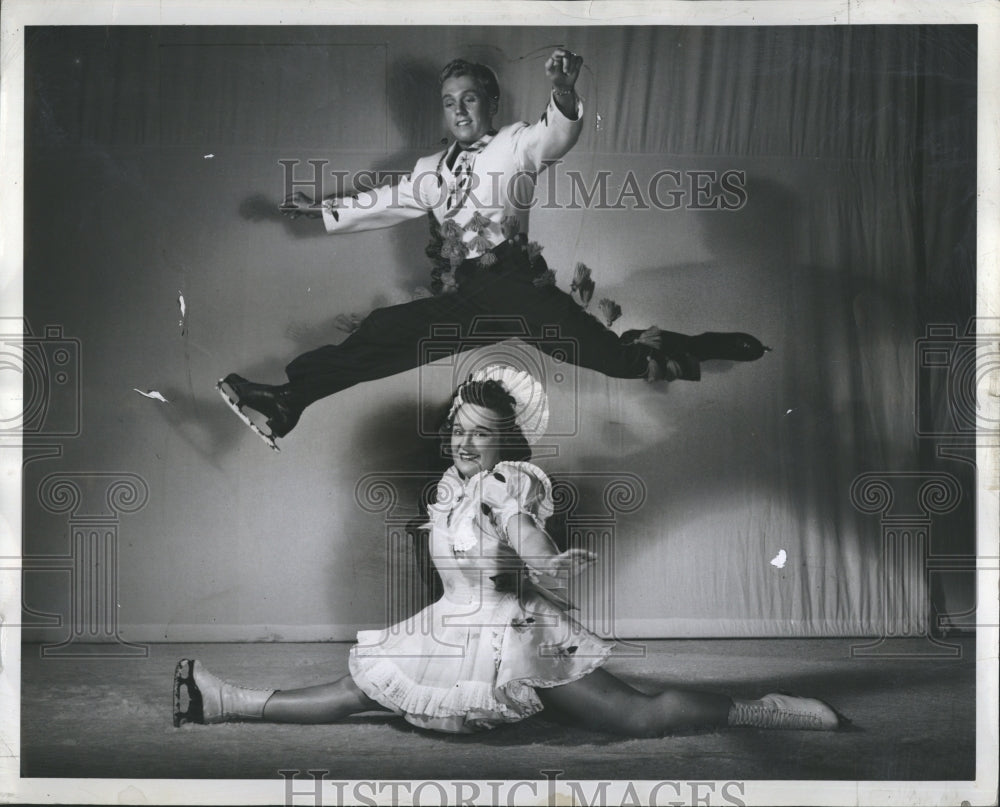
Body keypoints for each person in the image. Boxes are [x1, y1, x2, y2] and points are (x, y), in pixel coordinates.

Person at [176, 365, 839, 735]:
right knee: (357, 688)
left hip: (515, 632)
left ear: (506, 442)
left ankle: (762, 709)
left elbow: (519, 526)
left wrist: (546, 562)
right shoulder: (449, 485)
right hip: (455, 626)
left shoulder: (506, 480)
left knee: (634, 716)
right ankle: (225, 700)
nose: (466, 444)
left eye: (482, 434)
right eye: (459, 430)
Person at [218, 49, 768, 450]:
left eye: (470, 98)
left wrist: (565, 92)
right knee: (384, 332)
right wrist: (320, 209)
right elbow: (384, 200)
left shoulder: (515, 144)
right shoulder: (430, 170)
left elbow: (555, 136)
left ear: (492, 103)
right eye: (448, 102)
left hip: (517, 288)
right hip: (470, 300)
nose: (458, 111)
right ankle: (290, 403)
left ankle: (694, 343)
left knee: (618, 361)